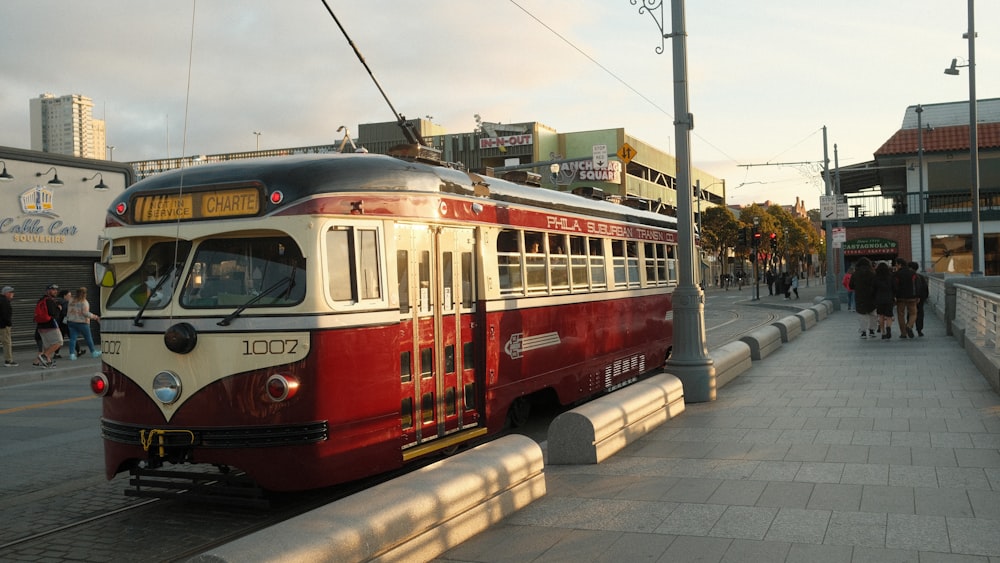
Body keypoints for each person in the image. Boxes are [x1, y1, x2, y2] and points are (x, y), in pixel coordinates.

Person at [66, 287, 101, 360]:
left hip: (71, 322)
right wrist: (96, 317)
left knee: (73, 338)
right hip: (82, 323)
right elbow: (85, 313)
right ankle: (93, 352)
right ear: (85, 294)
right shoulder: (84, 302)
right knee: (88, 338)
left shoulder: (71, 300)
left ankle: (72, 355)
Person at [35, 284, 63, 368]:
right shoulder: (49, 301)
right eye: (53, 289)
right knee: (59, 342)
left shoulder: (41, 300)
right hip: (50, 325)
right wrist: (59, 308)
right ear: (48, 291)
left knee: (48, 345)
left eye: (56, 290)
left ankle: (46, 362)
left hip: (40, 326)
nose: (55, 291)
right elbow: (53, 313)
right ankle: (44, 356)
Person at [848, 257, 877, 339]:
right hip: (871, 296)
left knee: (862, 315)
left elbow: (851, 285)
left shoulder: (855, 274)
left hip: (860, 296)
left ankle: (863, 332)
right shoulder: (872, 273)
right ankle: (872, 330)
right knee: (873, 314)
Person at [892, 258, 919, 339]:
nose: (896, 266)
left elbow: (894, 286)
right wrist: (918, 295)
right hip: (912, 297)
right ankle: (909, 326)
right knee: (913, 313)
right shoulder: (913, 273)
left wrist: (894, 296)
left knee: (901, 315)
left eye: (896, 264)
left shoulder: (896, 274)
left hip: (900, 297)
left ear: (900, 265)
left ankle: (903, 333)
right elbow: (917, 285)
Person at [873, 262, 895, 339]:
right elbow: (894, 288)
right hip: (889, 298)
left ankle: (883, 332)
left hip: (879, 299)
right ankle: (888, 328)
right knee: (889, 316)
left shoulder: (875, 278)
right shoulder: (891, 277)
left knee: (881, 316)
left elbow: (873, 289)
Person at [909, 261, 929, 337]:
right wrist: (924, 297)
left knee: (910, 313)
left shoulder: (909, 277)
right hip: (920, 298)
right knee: (920, 313)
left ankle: (909, 326)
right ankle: (919, 330)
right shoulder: (921, 277)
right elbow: (925, 288)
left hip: (911, 298)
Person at [1, 286, 16, 367]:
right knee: (7, 343)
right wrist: (9, 324)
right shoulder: (4, 301)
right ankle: (8, 361)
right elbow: (5, 315)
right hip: (3, 326)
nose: (13, 294)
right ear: (7, 293)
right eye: (11, 292)